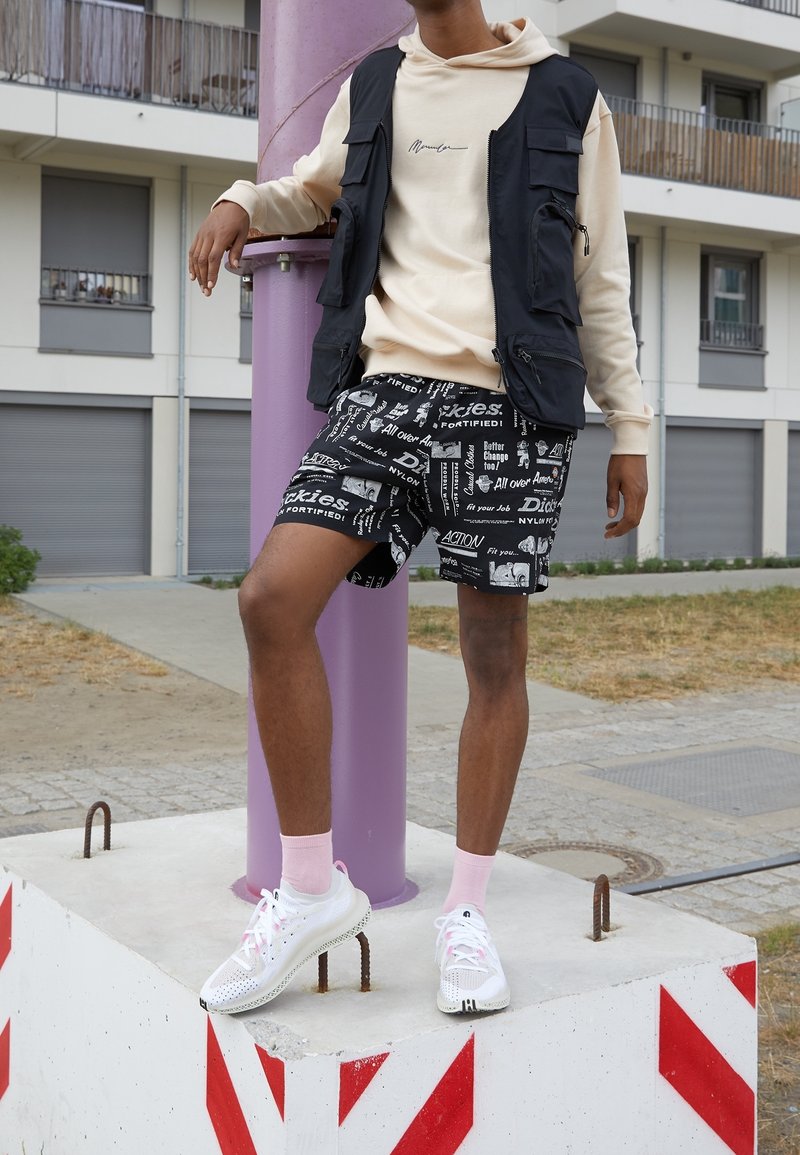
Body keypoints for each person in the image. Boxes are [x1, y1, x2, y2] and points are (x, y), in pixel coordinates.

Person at [189, 0, 651, 1017]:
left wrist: (630, 425)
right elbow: (307, 192)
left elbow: (599, 271)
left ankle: (467, 914)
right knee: (271, 598)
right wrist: (237, 203)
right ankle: (310, 889)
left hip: (511, 405)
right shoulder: (376, 82)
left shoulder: (567, 94)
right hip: (385, 392)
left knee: (493, 658)